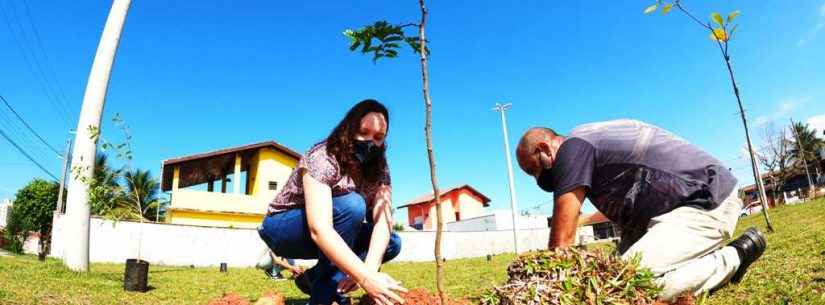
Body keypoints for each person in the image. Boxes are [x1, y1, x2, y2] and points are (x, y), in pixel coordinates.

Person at [515, 119, 767, 301]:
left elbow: (561, 244)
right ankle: (693, 260)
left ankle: (735, 255)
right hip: (672, 212)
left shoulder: (572, 148)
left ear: (545, 149)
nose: (537, 178)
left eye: (533, 169)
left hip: (705, 200)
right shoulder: (590, 148)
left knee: (624, 285)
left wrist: (542, 289)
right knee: (607, 277)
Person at [258, 99, 406, 305]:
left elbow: (383, 220)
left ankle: (312, 279)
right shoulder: (324, 156)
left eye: (379, 137)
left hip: (334, 227)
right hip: (283, 229)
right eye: (364, 132)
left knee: (391, 242)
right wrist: (364, 276)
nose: (370, 141)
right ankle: (324, 298)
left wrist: (369, 269)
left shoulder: (379, 167)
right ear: (349, 129)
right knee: (352, 206)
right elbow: (320, 229)